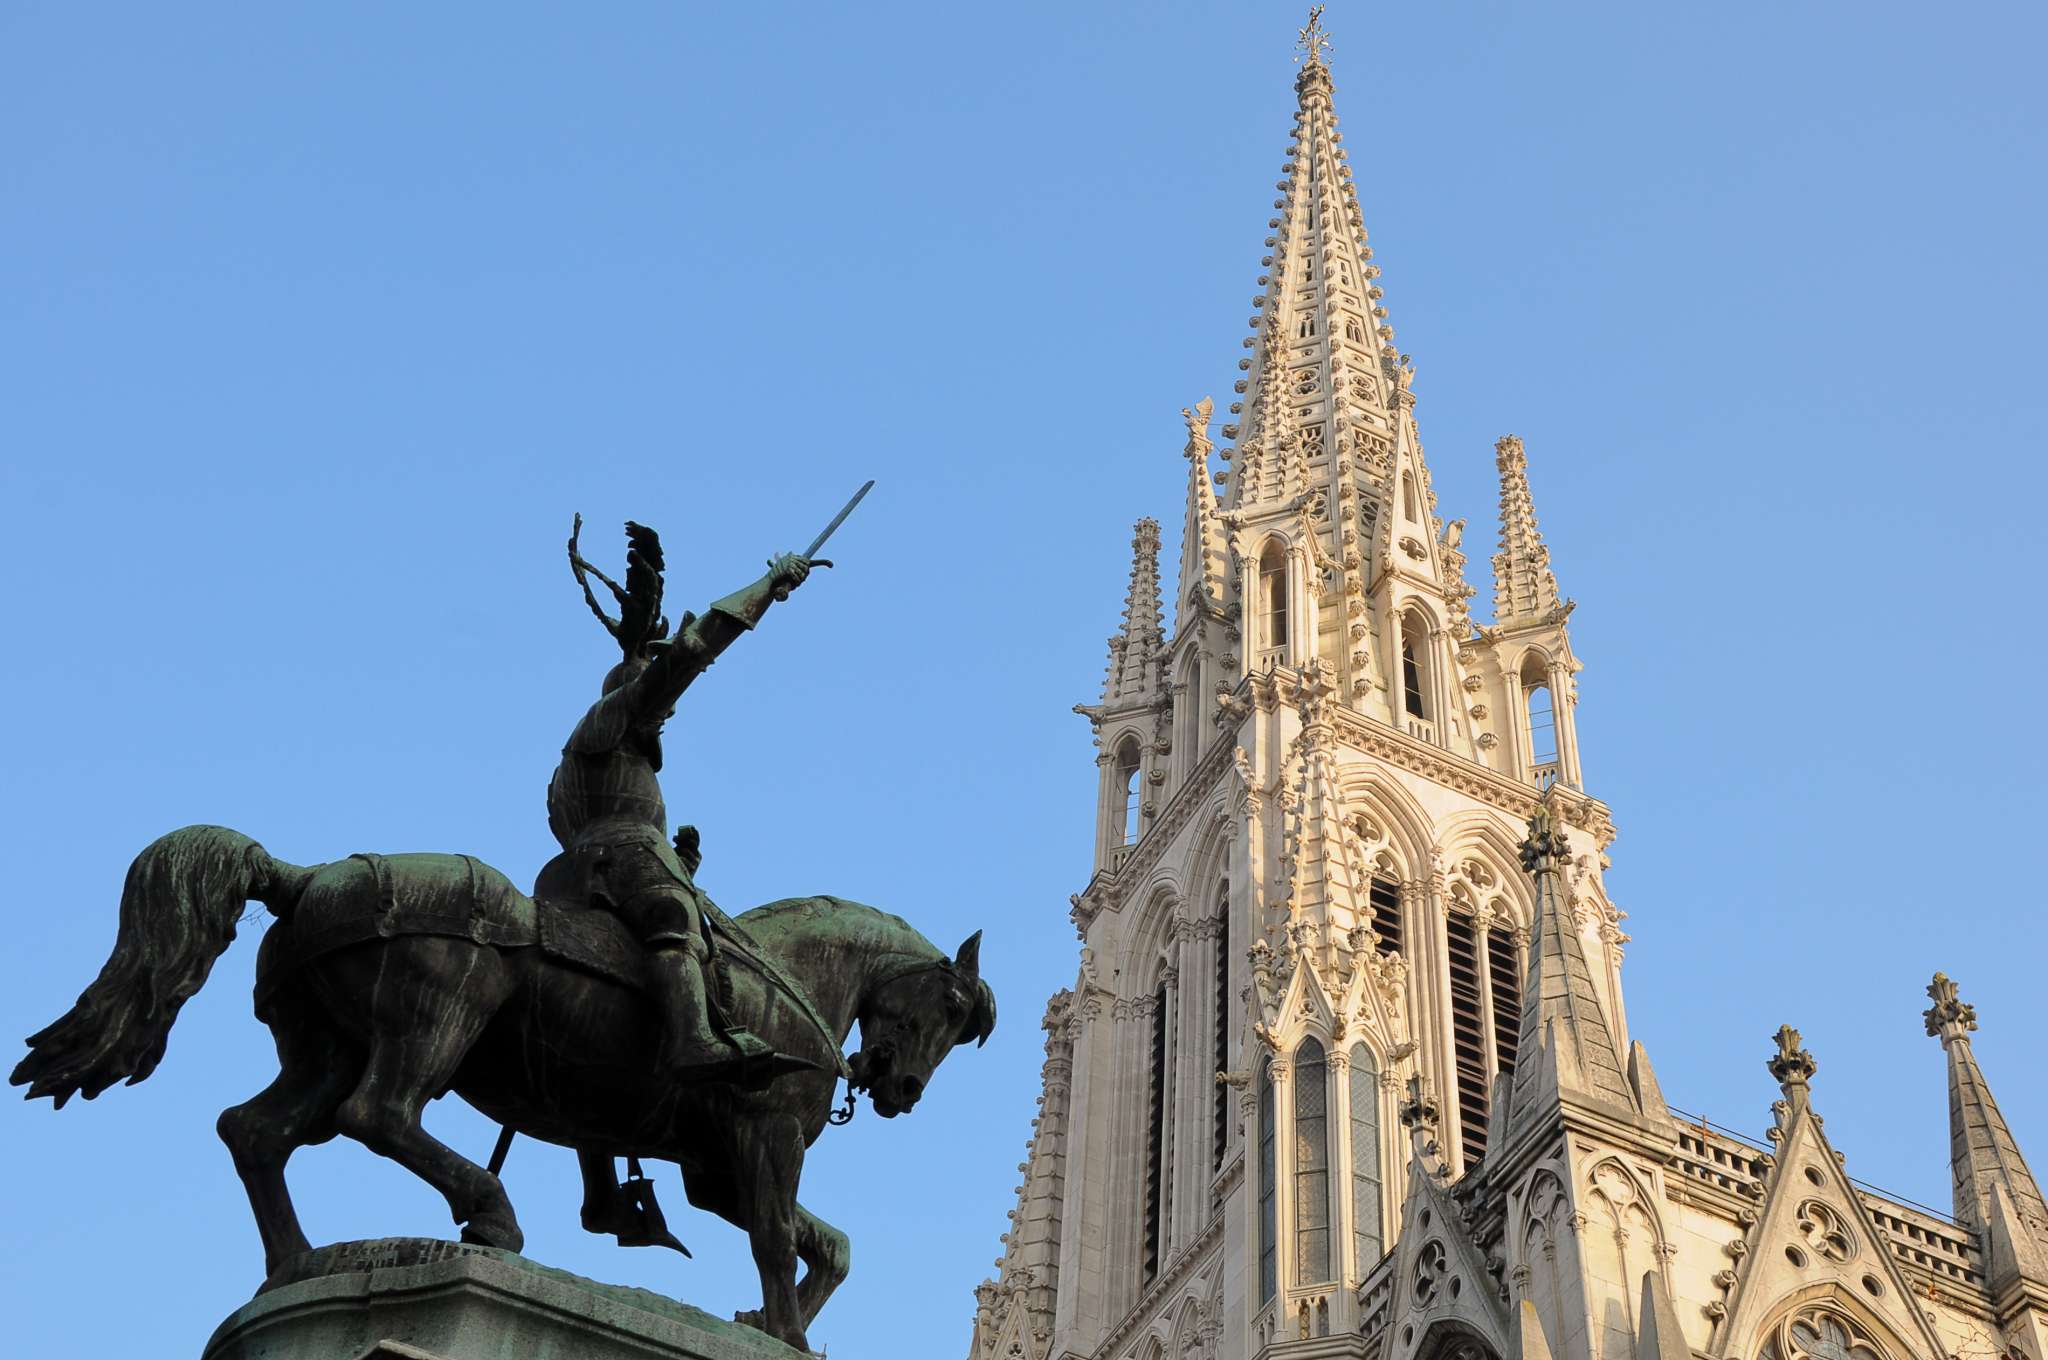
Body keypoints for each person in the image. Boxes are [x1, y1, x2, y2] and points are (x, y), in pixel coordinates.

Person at [545, 549, 815, 1075]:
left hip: (588, 871)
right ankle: (692, 1041)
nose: (665, 713)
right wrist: (769, 585)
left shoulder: (582, 764)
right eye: (660, 704)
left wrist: (680, 863)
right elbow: (691, 651)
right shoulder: (617, 714)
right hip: (620, 856)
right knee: (672, 915)